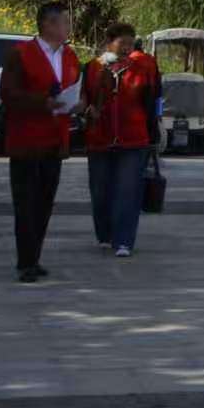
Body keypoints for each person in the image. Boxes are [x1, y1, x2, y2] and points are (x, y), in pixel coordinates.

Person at [0, 2, 81, 283]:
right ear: (48, 24)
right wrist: (43, 102)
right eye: (64, 22)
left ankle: (34, 257)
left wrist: (78, 103)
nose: (68, 27)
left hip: (56, 140)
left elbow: (74, 88)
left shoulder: (69, 56)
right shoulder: (20, 54)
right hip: (26, 140)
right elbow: (8, 94)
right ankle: (26, 262)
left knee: (45, 202)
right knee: (26, 203)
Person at [81, 22, 160, 258]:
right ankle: (104, 235)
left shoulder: (144, 66)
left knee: (128, 190)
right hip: (99, 138)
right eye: (121, 43)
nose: (126, 48)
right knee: (100, 189)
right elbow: (84, 98)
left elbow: (155, 99)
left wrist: (154, 135)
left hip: (133, 138)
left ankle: (124, 240)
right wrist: (87, 112)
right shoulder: (92, 68)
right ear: (109, 42)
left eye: (130, 43)